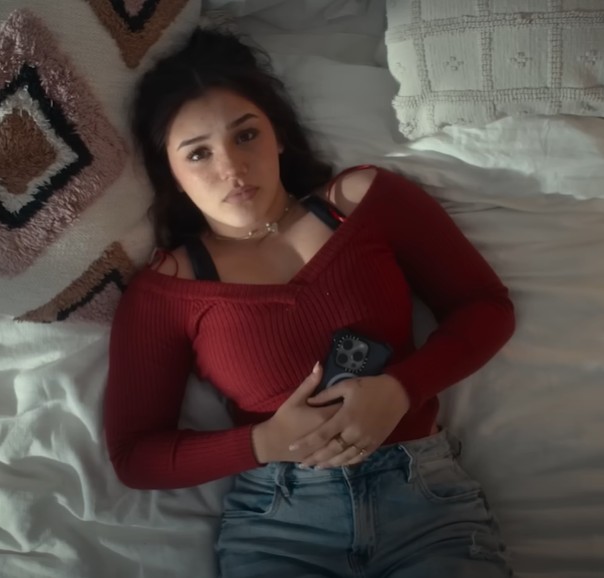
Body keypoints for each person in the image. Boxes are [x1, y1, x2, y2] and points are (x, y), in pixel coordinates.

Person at [104, 28, 515, 578]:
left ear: (277, 136)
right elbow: (135, 456)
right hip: (280, 526)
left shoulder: (364, 202)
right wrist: (264, 441)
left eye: (245, 135)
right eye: (199, 153)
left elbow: (486, 307)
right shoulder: (165, 293)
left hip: (425, 504)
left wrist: (401, 389)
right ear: (171, 175)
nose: (231, 168)